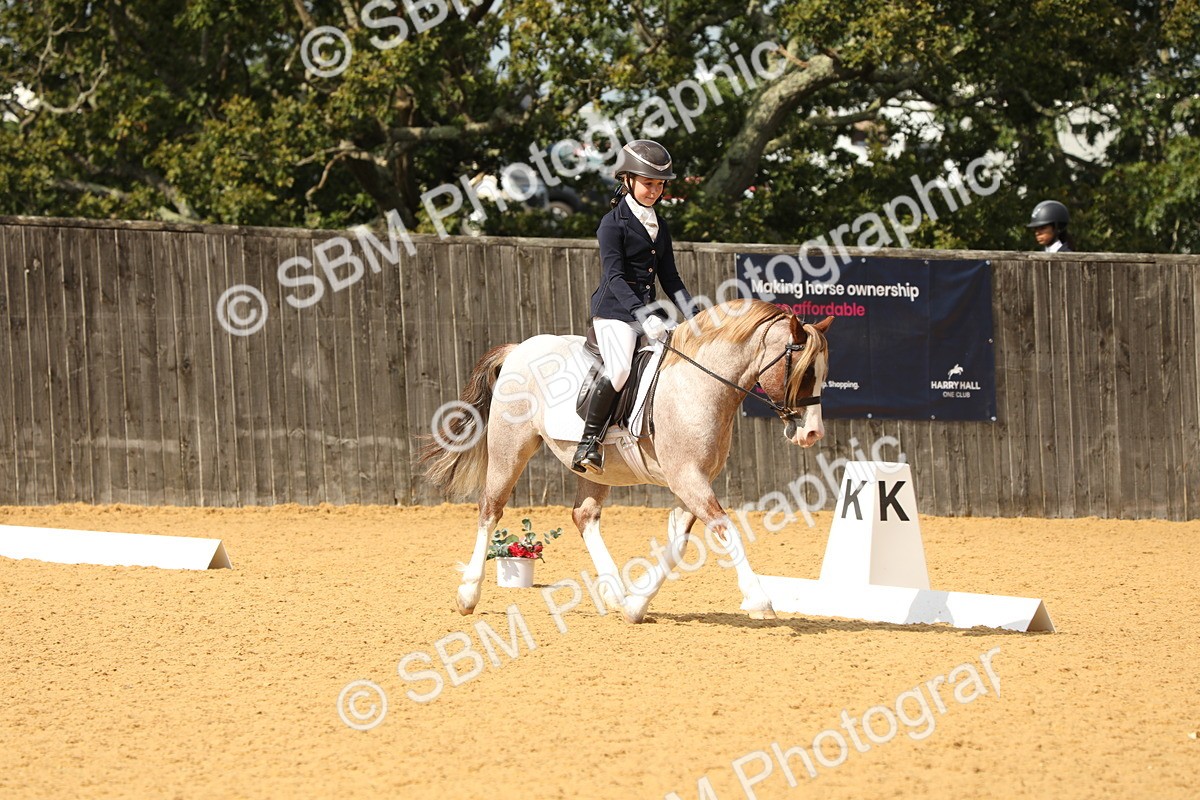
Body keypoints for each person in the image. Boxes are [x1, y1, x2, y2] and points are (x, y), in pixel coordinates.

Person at [571, 139, 695, 475]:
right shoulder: (612, 224)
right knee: (621, 369)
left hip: (646, 311)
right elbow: (614, 277)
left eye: (659, 185)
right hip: (614, 312)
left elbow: (670, 278)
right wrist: (644, 316)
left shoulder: (659, 224)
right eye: (648, 183)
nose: (654, 190)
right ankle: (588, 443)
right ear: (627, 180)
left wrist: (696, 316)